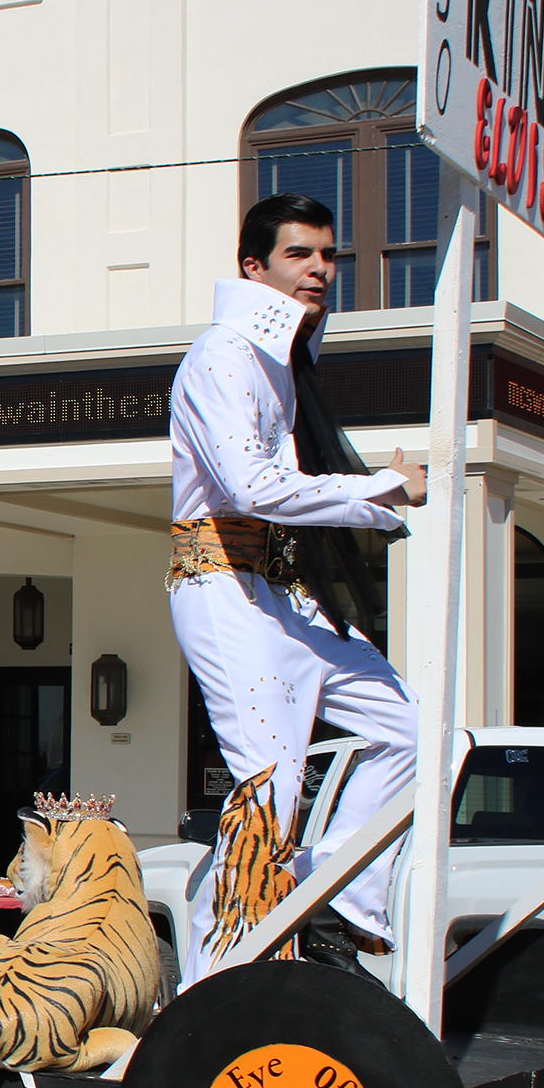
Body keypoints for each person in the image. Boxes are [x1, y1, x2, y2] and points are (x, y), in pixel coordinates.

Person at [171, 192, 426, 983]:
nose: (320, 269)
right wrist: (378, 489)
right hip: (222, 586)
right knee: (268, 788)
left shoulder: (282, 365)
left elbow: (282, 489)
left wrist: (370, 500)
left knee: (419, 734)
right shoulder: (222, 356)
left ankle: (339, 902)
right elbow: (252, 486)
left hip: (284, 594)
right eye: (300, 255)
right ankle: (220, 980)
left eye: (328, 255)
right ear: (254, 267)